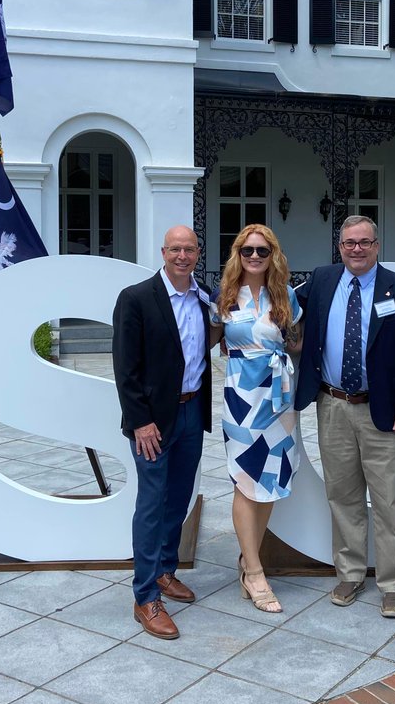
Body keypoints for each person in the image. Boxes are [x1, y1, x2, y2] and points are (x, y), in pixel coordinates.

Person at [294, 215, 395, 617]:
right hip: (332, 405)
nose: (356, 249)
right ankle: (350, 574)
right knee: (343, 496)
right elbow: (278, 303)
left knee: (388, 500)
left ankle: (393, 583)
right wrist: (235, 329)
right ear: (340, 246)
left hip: (381, 411)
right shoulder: (321, 280)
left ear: (377, 245)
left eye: (364, 242)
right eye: (350, 242)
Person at [112, 226, 212, 640]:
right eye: (175, 249)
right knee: (151, 504)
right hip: (153, 422)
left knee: (179, 499)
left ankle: (166, 570)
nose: (183, 256)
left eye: (189, 249)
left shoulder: (202, 296)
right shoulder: (136, 298)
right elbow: (125, 366)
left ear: (198, 253)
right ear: (163, 252)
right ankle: (145, 595)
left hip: (191, 413)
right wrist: (140, 420)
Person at [211, 224, 302, 613]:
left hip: (278, 399)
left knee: (271, 478)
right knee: (245, 477)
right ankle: (254, 571)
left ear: (273, 255)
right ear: (237, 254)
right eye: (247, 250)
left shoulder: (286, 296)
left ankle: (249, 561)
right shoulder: (225, 298)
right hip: (241, 398)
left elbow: (298, 343)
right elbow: (206, 343)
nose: (254, 257)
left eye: (261, 251)